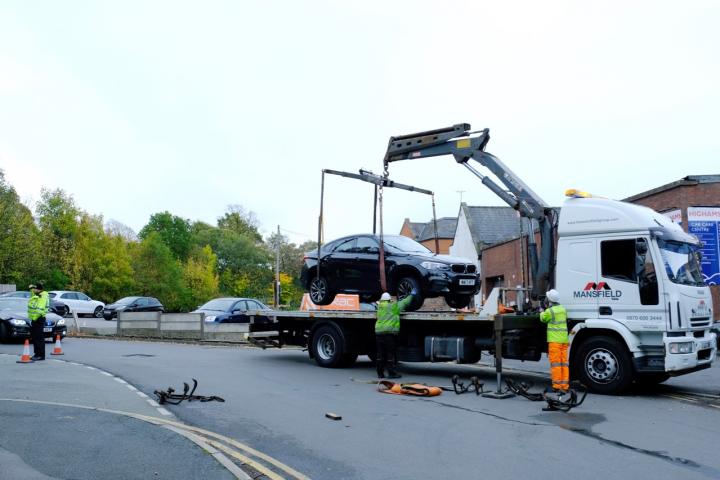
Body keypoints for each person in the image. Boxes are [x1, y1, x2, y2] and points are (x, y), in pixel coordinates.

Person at [539, 289, 569, 408]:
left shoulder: (550, 311)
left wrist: (542, 310)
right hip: (564, 340)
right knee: (564, 364)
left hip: (555, 341)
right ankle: (565, 386)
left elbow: (542, 318)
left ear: (550, 300)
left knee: (556, 364)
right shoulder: (562, 309)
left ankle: (557, 387)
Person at [375, 290, 414, 379]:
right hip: (389, 333)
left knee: (380, 353)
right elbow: (404, 303)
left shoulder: (379, 306)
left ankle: (380, 373)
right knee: (390, 353)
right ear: (389, 300)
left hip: (379, 333)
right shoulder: (393, 306)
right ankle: (391, 373)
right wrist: (411, 295)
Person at [28, 282, 50, 361]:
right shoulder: (37, 295)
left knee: (38, 338)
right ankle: (37, 354)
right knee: (35, 337)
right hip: (35, 319)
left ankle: (40, 355)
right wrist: (31, 288)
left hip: (38, 318)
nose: (33, 290)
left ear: (38, 289)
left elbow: (39, 310)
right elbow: (33, 295)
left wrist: (34, 319)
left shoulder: (42, 297)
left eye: (35, 289)